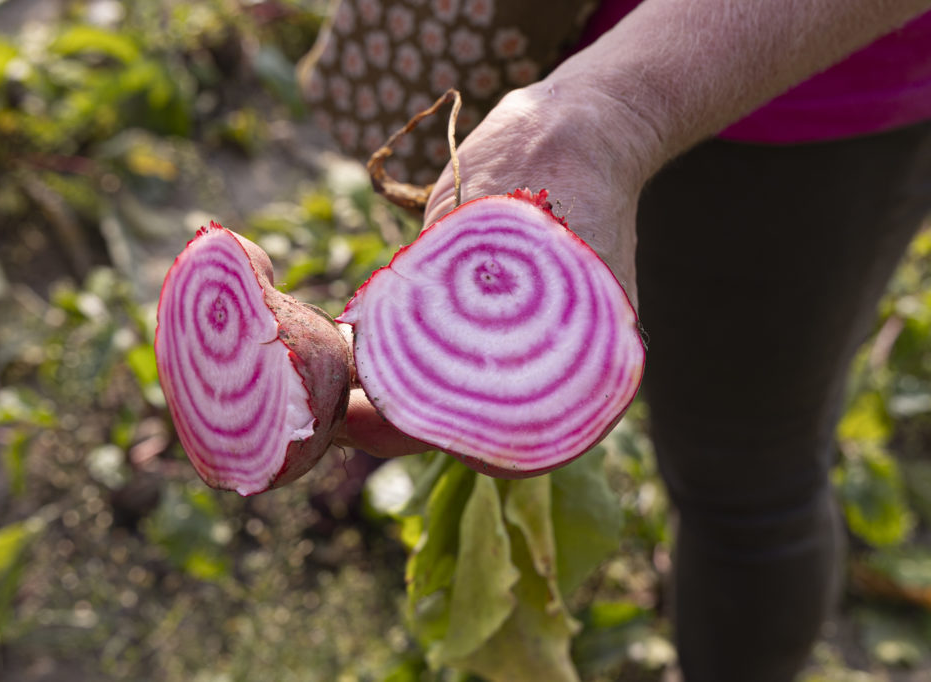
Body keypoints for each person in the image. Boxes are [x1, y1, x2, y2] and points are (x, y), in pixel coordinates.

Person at [302, 1, 931, 679]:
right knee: (470, 244)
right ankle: (431, 388)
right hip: (552, 35)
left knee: (746, 476)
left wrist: (610, 110)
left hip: (804, 87)